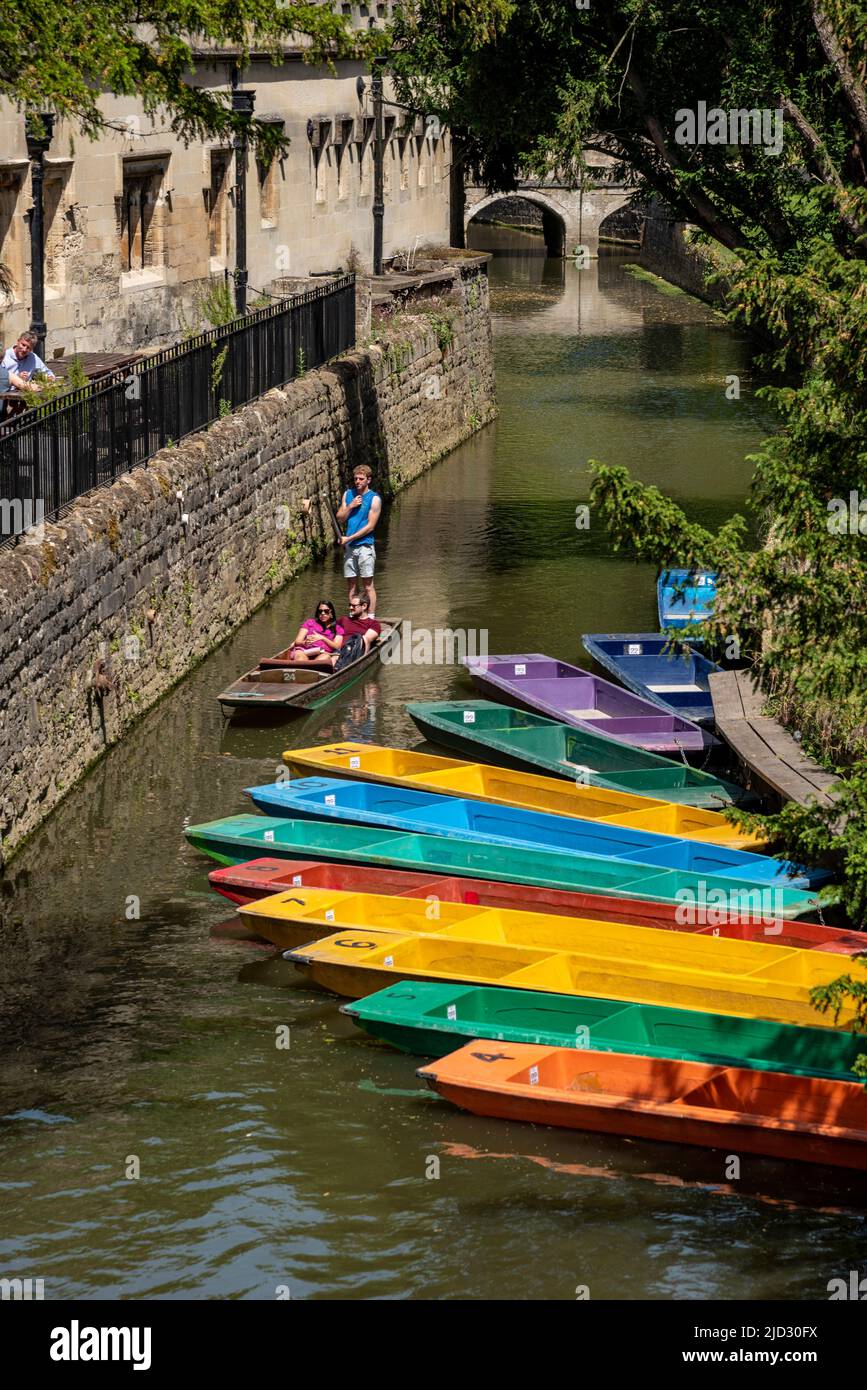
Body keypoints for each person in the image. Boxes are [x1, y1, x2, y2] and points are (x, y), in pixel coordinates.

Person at [336, 464, 382, 615]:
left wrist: (349, 538)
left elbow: (370, 526)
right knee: (351, 584)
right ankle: (352, 615)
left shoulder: (374, 499)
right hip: (350, 548)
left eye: (361, 479)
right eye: (356, 478)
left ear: (368, 480)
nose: (357, 481)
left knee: (368, 585)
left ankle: (370, 616)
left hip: (364, 546)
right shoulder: (348, 494)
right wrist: (350, 506)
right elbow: (340, 518)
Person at [332, 593, 382, 669]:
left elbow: (366, 640)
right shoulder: (344, 620)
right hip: (338, 651)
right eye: (350, 605)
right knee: (333, 658)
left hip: (354, 653)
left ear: (364, 606)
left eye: (354, 606)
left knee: (359, 637)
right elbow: (328, 628)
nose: (350, 608)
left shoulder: (373, 624)